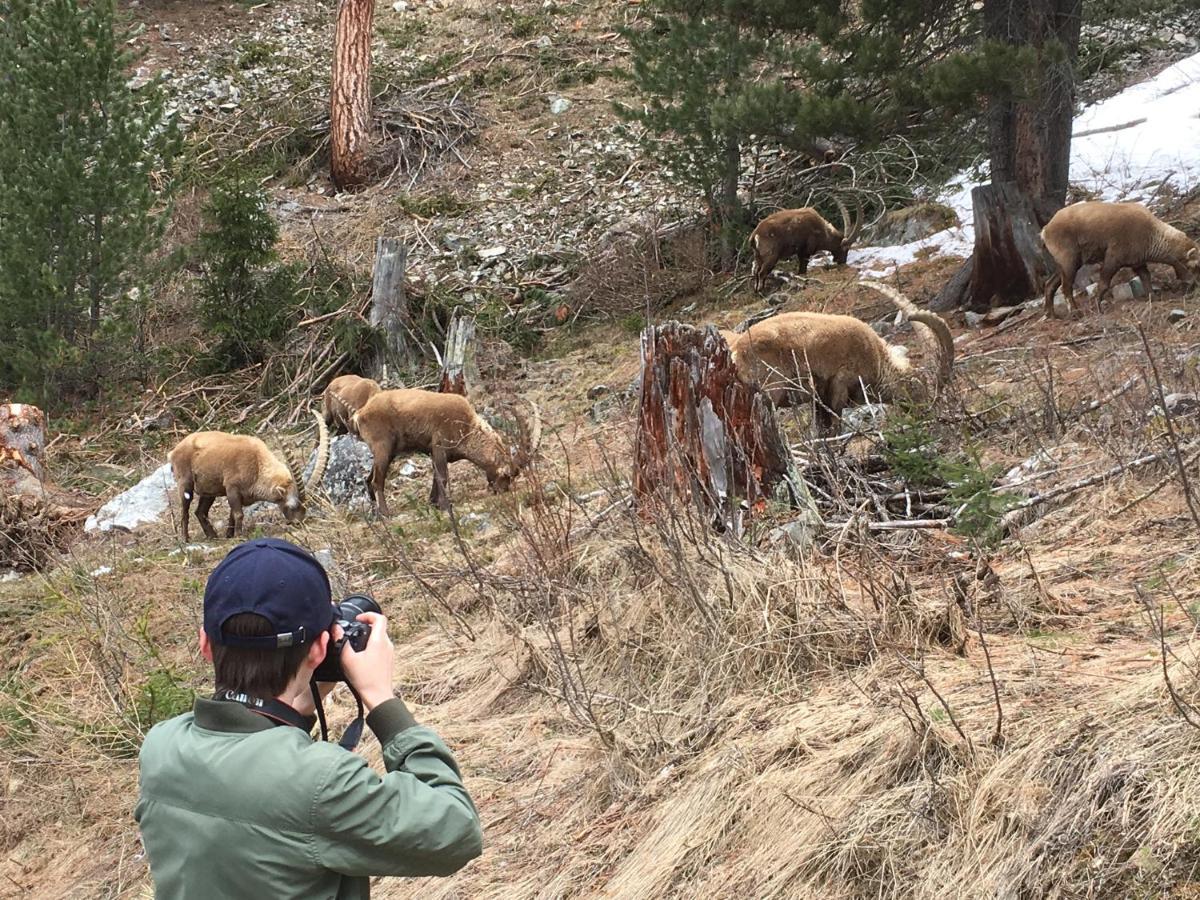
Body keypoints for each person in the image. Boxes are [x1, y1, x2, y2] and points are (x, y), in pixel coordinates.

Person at [135, 538, 483, 899]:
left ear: (205, 643)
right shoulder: (321, 782)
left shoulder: (161, 747)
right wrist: (381, 698)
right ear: (320, 648)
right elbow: (456, 829)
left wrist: (299, 709)